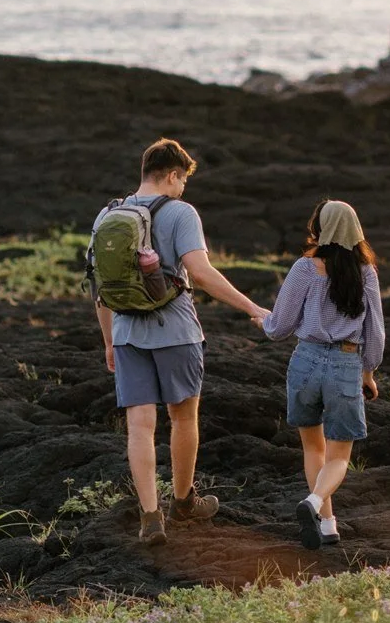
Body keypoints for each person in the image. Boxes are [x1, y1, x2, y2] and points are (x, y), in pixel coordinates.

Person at [91, 137, 270, 545]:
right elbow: (201, 274)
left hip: (127, 334)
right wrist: (252, 308)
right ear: (172, 175)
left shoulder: (107, 215)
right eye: (183, 180)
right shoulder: (181, 213)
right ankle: (184, 502)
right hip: (176, 332)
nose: (184, 188)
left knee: (139, 426)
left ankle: (150, 518)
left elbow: (99, 286)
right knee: (184, 417)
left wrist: (108, 340)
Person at [263, 199, 384, 549]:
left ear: (320, 228)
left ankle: (328, 524)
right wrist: (369, 372)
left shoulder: (304, 267)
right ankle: (316, 504)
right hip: (346, 363)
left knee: (312, 448)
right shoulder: (366, 272)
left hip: (305, 360)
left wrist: (263, 322)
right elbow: (375, 332)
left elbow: (279, 326)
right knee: (340, 456)